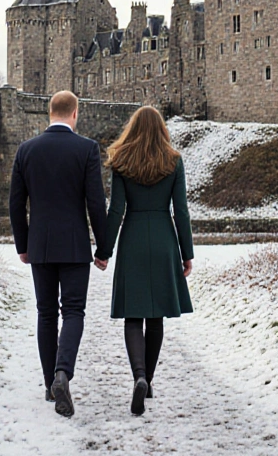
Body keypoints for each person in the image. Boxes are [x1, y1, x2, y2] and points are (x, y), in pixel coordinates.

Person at [9, 90, 107, 418]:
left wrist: (23, 245)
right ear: (75, 114)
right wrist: (103, 248)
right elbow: (96, 203)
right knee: (74, 311)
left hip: (40, 245)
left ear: (48, 113)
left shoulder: (26, 150)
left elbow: (15, 204)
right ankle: (63, 373)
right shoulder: (87, 149)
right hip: (76, 245)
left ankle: (49, 382)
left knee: (46, 313)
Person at [93, 105, 194, 416]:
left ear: (132, 129)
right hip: (164, 239)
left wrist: (104, 250)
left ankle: (138, 376)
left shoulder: (121, 161)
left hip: (133, 238)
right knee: (156, 318)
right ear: (161, 130)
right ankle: (148, 381)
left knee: (133, 317)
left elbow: (116, 210)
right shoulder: (174, 161)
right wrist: (186, 253)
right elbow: (181, 211)